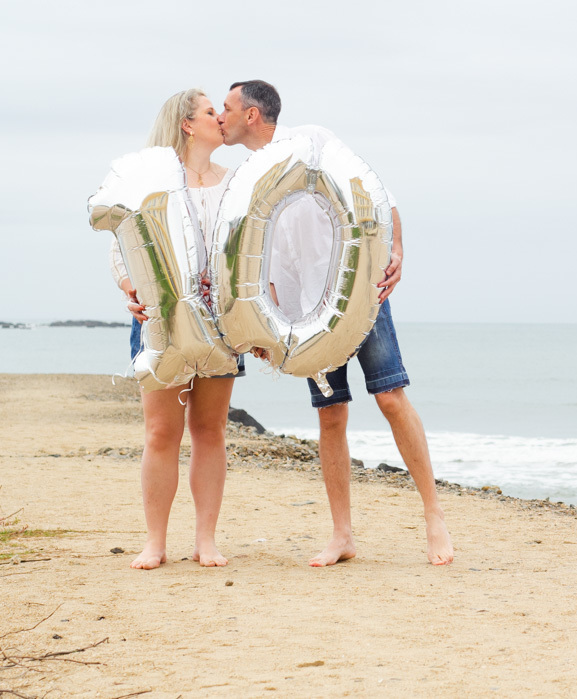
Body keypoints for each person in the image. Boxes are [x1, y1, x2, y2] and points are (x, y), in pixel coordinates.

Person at [217, 79, 454, 567]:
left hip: (358, 293)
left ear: (252, 115)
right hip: (303, 312)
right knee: (330, 415)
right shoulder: (244, 178)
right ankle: (342, 534)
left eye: (226, 108)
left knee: (390, 395)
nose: (220, 117)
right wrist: (265, 327)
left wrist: (399, 250)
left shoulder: (313, 140)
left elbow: (376, 192)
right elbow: (255, 262)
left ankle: (434, 517)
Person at [108, 88, 243, 569]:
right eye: (211, 112)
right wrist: (132, 289)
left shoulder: (237, 182)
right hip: (159, 321)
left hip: (221, 324)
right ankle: (155, 542)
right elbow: (120, 244)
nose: (220, 119)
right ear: (188, 124)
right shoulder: (152, 180)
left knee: (210, 430)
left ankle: (206, 540)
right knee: (161, 433)